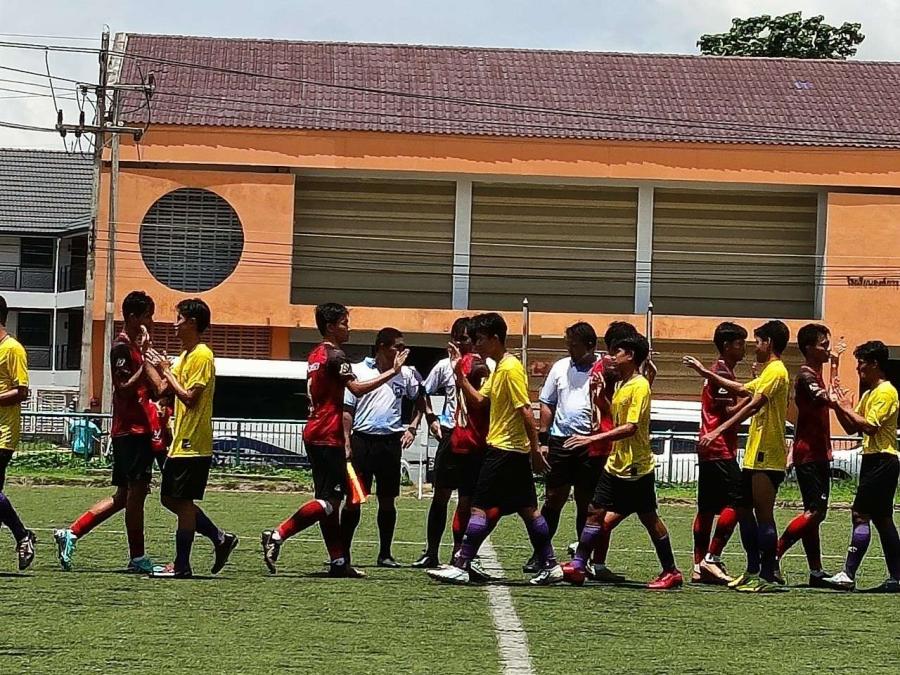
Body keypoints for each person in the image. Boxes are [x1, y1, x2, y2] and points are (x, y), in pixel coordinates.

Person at [261, 303, 408, 576]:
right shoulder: (336, 355)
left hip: (315, 431)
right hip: (328, 435)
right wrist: (392, 372)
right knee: (330, 502)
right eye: (344, 323)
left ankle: (339, 562)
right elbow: (357, 389)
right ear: (330, 327)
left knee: (331, 502)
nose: (348, 328)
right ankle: (278, 534)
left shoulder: (315, 353)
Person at [428, 312, 562, 585]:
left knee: (479, 507)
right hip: (509, 450)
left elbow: (525, 409)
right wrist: (460, 377)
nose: (476, 344)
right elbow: (479, 400)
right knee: (528, 509)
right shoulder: (500, 366)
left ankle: (462, 564)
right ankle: (550, 564)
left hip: (504, 450)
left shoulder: (511, 368)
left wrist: (536, 449)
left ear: (495, 338)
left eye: (480, 339)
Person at [561, 333, 683, 590]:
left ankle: (671, 571)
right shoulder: (621, 385)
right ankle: (579, 565)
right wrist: (600, 398)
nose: (612, 357)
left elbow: (630, 427)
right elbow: (615, 418)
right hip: (615, 463)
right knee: (595, 512)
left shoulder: (639, 386)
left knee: (649, 519)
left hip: (635, 467)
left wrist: (591, 439)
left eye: (616, 352)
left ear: (630, 355)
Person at [55, 291, 161, 573]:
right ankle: (137, 558)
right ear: (133, 317)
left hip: (135, 430)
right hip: (131, 431)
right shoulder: (122, 348)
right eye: (148, 316)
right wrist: (146, 366)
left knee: (124, 496)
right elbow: (123, 388)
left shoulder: (135, 348)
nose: (151, 322)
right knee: (136, 496)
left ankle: (72, 532)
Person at [683, 320, 791, 593]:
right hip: (752, 453)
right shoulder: (760, 371)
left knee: (761, 515)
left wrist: (717, 430)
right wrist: (705, 373)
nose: (753, 347)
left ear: (769, 343)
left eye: (758, 342)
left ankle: (765, 574)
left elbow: (752, 405)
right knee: (741, 509)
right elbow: (743, 390)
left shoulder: (777, 371)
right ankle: (750, 568)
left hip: (767, 453)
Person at [144, 298, 238, 578]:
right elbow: (163, 389)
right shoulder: (184, 356)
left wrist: (166, 370)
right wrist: (145, 355)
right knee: (169, 499)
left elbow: (189, 397)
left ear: (192, 322)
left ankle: (182, 565)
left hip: (194, 442)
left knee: (181, 502)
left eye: (179, 319)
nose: (175, 324)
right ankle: (220, 538)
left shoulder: (201, 355)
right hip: (180, 440)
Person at [522, 322, 602, 574]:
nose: (570, 349)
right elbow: (547, 402)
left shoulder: (603, 368)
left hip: (589, 442)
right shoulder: (560, 367)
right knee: (553, 498)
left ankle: (582, 558)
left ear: (590, 346)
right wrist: (544, 440)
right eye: (568, 344)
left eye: (574, 345)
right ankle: (541, 554)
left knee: (586, 502)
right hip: (561, 441)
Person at [340, 327, 422, 568]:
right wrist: (346, 441)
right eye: (398, 346)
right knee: (354, 499)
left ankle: (385, 553)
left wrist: (412, 428)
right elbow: (347, 410)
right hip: (362, 441)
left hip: (389, 443)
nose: (402, 351)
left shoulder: (407, 374)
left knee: (388, 500)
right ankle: (342, 553)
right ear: (382, 347)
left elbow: (420, 401)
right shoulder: (358, 370)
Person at [412, 317, 490, 568]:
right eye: (459, 339)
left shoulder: (484, 365)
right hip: (450, 434)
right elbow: (422, 390)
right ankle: (431, 551)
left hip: (476, 439)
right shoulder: (444, 366)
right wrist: (431, 418)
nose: (463, 344)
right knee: (441, 495)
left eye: (467, 339)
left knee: (467, 500)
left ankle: (459, 553)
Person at [824, 341, 900, 592]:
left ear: (875, 363)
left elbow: (870, 427)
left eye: (861, 363)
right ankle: (897, 577)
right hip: (873, 459)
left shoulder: (886, 392)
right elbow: (851, 427)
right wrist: (837, 406)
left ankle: (848, 574)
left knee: (860, 514)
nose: (858, 368)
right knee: (883, 520)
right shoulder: (869, 394)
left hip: (882, 459)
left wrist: (845, 407)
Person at [775, 324, 835, 587]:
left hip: (817, 453)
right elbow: (823, 398)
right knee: (815, 512)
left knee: (814, 514)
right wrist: (841, 403)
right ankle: (773, 555)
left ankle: (816, 572)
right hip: (810, 455)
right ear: (809, 348)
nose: (828, 349)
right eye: (824, 345)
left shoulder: (815, 374)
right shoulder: (805, 376)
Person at [689, 322, 748, 585]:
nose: (744, 348)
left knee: (706, 508)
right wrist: (752, 401)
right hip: (719, 447)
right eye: (739, 344)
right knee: (739, 501)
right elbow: (727, 413)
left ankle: (698, 565)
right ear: (726, 346)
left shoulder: (720, 372)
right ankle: (711, 558)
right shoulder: (721, 372)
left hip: (709, 448)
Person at [0, 295, 35, 570]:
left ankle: (22, 535)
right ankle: (23, 537)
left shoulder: (13, 349)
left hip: (3, 433)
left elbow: (22, 391)